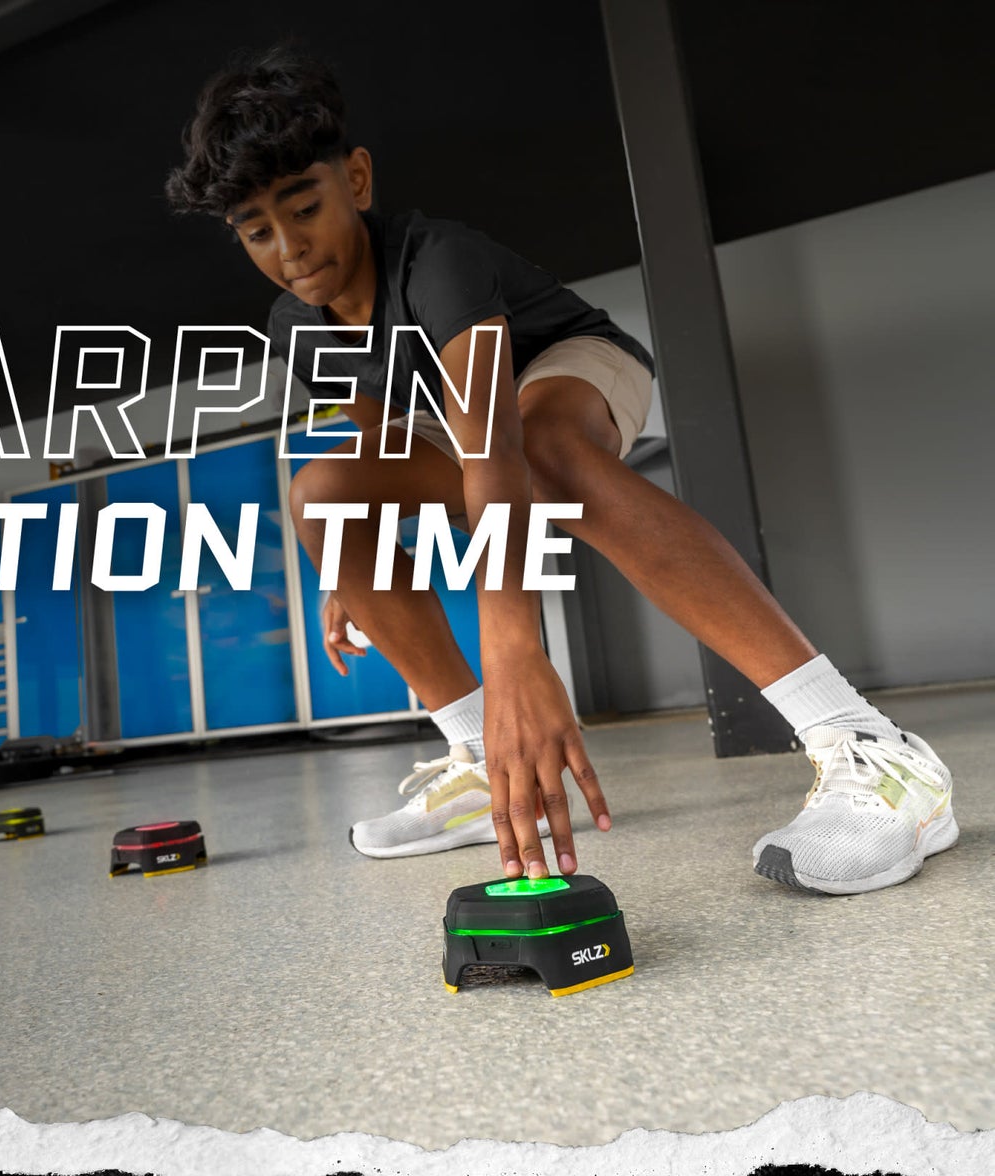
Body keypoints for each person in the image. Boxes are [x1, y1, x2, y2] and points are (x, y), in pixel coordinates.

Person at [163, 46, 957, 895]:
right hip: (461, 426)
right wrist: (347, 562)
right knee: (318, 493)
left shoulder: (438, 263)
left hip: (565, 373)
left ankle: (868, 747)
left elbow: (494, 449)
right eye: (256, 230)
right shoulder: (296, 325)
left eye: (303, 206)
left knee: (545, 454)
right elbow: (380, 432)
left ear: (354, 179)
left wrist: (514, 650)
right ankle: (476, 762)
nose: (290, 247)